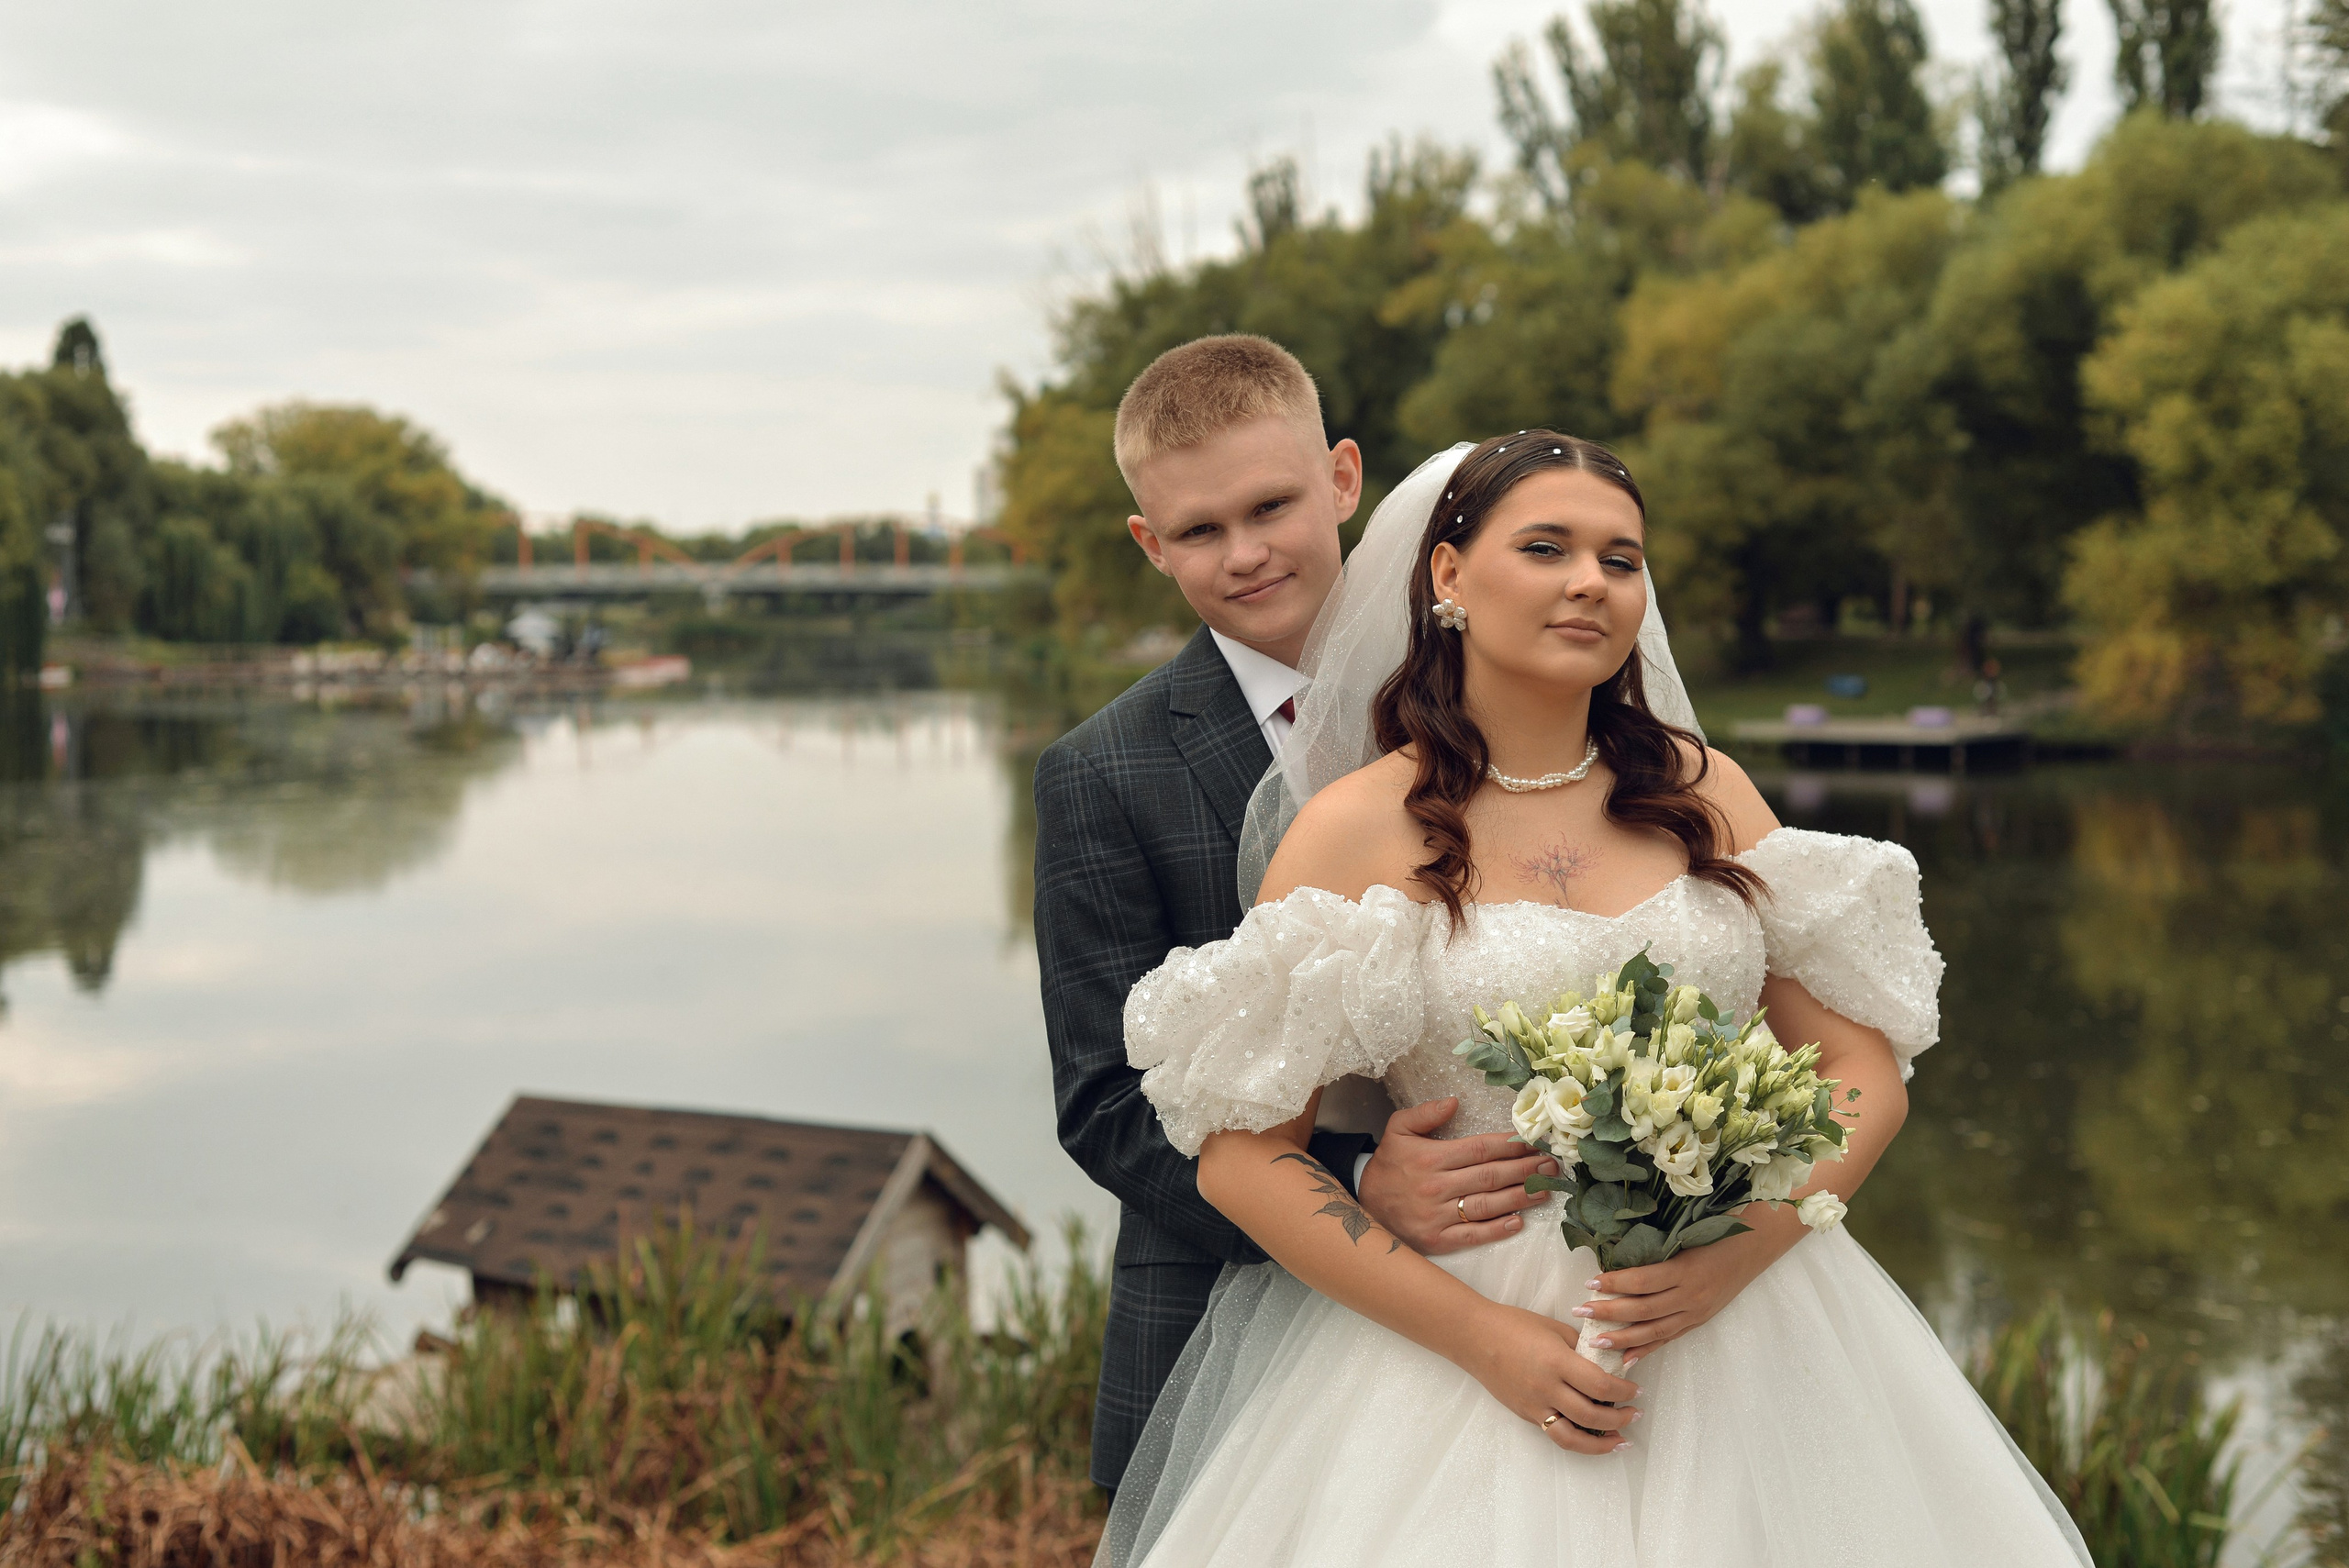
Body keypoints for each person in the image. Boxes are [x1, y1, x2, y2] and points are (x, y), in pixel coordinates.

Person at [1102, 433, 2091, 1565]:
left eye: (1621, 559)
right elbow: (1241, 1155)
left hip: (1751, 1321)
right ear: (1448, 577)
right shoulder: (1356, 826)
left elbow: (1861, 1072)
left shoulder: (1705, 791)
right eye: (1546, 547)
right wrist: (1485, 1341)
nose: (1590, 581)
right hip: (1459, 1346)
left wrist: (1740, 1248)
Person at [1032, 338, 1556, 1500]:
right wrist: (1358, 1178)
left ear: (1342, 477)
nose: (1247, 551)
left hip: (1532, 1277)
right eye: (1200, 529)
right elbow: (1106, 1105)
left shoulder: (1520, 691)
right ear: (1148, 542)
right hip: (1235, 1323)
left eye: (1271, 504)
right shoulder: (1104, 772)